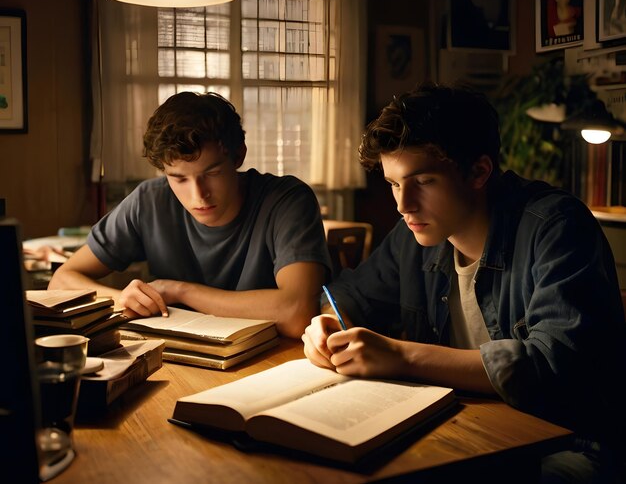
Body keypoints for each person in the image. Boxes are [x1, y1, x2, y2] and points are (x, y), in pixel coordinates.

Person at [302, 82, 626, 483]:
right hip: (464, 430)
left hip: (568, 445)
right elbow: (346, 297)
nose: (403, 205)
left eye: (423, 182)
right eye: (393, 184)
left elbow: (554, 365)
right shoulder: (415, 234)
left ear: (478, 171)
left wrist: (402, 356)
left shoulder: (557, 227)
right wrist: (326, 326)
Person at [49, 91, 331, 338]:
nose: (198, 195)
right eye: (179, 178)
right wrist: (123, 298)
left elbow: (297, 313)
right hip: (180, 363)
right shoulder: (149, 201)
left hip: (271, 364)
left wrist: (180, 291)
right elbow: (61, 280)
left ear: (239, 156)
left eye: (212, 173)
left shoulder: (287, 200)